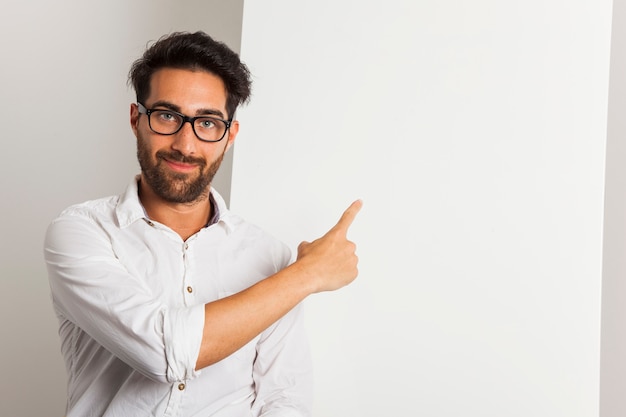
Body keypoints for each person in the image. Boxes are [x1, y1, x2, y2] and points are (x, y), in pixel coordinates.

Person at [44, 31, 361, 417]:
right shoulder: (83, 233)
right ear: (135, 119)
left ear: (229, 137)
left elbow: (285, 399)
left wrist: (295, 273)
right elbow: (162, 353)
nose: (186, 144)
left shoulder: (270, 256)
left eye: (208, 123)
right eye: (166, 116)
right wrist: (307, 275)